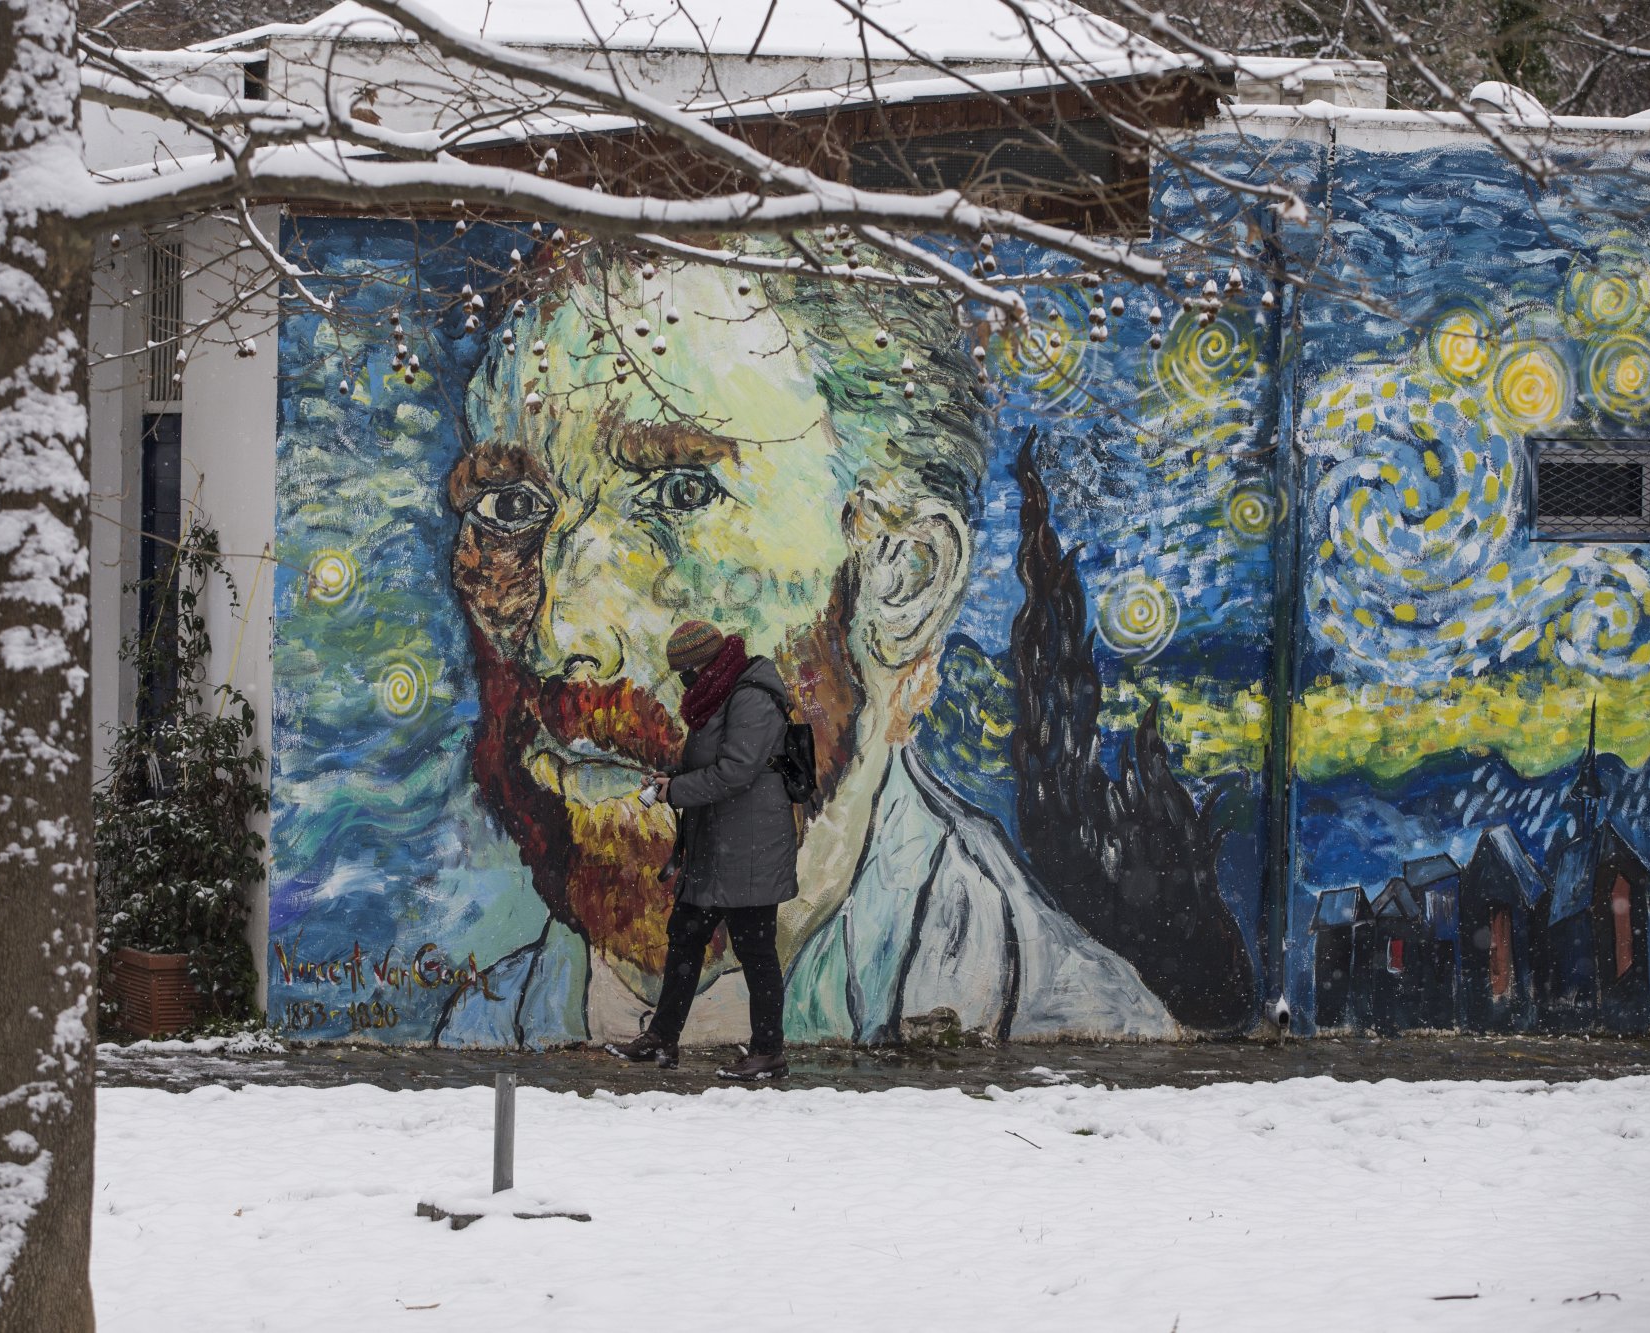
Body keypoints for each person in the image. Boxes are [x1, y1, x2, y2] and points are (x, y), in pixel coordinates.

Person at [433, 249, 1173, 1050]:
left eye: (682, 494)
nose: (562, 631)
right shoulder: (484, 1022)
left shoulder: (1061, 1012)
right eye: (511, 504)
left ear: (902, 580)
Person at [601, 620, 797, 1078]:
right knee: (685, 937)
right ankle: (662, 1040)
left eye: (686, 673)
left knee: (756, 950)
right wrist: (674, 775)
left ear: (704, 665)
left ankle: (769, 1052)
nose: (685, 683)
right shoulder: (721, 696)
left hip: (751, 849)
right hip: (717, 845)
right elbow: (711, 761)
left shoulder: (751, 696)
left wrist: (676, 792)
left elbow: (736, 771)